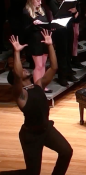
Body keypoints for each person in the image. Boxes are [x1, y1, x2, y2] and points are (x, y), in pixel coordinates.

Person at [7, 31, 73, 175]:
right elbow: (17, 74)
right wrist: (16, 52)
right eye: (22, 70)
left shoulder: (38, 85)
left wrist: (50, 46)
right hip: (31, 136)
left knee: (66, 151)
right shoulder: (20, 94)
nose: (25, 70)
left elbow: (54, 68)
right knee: (32, 173)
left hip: (46, 129)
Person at [49, 0, 79, 86]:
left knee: (68, 51)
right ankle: (62, 76)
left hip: (68, 27)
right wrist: (68, 11)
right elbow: (56, 14)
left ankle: (69, 72)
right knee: (62, 53)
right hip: (60, 29)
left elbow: (74, 15)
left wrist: (75, 12)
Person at [23, 0, 51, 93]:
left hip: (43, 38)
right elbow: (24, 30)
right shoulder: (26, 12)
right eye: (38, 0)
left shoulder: (41, 10)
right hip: (34, 40)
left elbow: (46, 22)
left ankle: (42, 85)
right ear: (31, 0)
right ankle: (37, 87)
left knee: (43, 64)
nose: (40, 2)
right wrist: (33, 24)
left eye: (41, 0)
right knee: (38, 65)